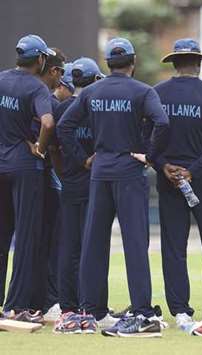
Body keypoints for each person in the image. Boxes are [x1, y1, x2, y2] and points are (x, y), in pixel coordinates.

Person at [58, 37, 169, 337]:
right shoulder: (143, 91)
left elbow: (64, 127)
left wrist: (83, 159)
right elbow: (162, 122)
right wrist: (149, 155)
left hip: (100, 171)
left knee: (93, 243)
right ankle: (143, 313)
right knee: (135, 244)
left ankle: (89, 312)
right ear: (132, 63)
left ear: (108, 63)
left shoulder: (92, 91)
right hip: (130, 171)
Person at [154, 39, 202, 328]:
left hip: (169, 179)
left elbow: (145, 137)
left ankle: (181, 311)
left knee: (174, 246)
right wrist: (194, 171)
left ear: (174, 63)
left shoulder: (157, 93)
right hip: (201, 180)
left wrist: (164, 166)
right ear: (199, 63)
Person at [0, 34, 55, 320]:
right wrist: (40, 149)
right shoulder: (37, 87)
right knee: (25, 236)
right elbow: (47, 121)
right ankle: (16, 305)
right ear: (41, 59)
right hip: (24, 168)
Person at [53, 57, 104, 334]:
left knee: (69, 248)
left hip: (71, 183)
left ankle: (68, 308)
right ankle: (92, 308)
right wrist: (86, 160)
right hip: (96, 184)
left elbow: (53, 148)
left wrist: (66, 169)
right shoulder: (99, 108)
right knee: (92, 247)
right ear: (96, 79)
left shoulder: (62, 108)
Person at [34, 48, 66, 319]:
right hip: (45, 178)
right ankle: (49, 300)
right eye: (61, 72)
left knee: (33, 241)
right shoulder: (47, 101)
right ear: (53, 70)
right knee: (51, 240)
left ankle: (31, 300)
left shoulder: (21, 92)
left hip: (21, 175)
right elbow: (54, 143)